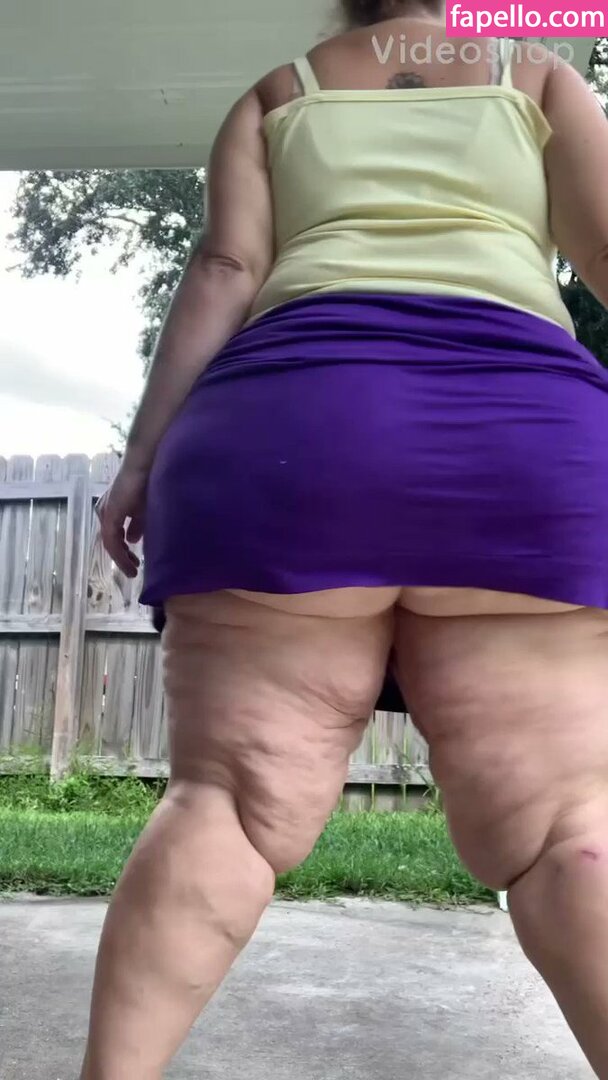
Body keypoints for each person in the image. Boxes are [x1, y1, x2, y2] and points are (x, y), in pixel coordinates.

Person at [91, 1, 608, 1076]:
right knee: (570, 823)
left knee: (224, 804)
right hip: (522, 445)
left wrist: (139, 461)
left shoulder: (279, 93)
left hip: (291, 434)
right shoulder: (536, 76)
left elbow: (225, 271)